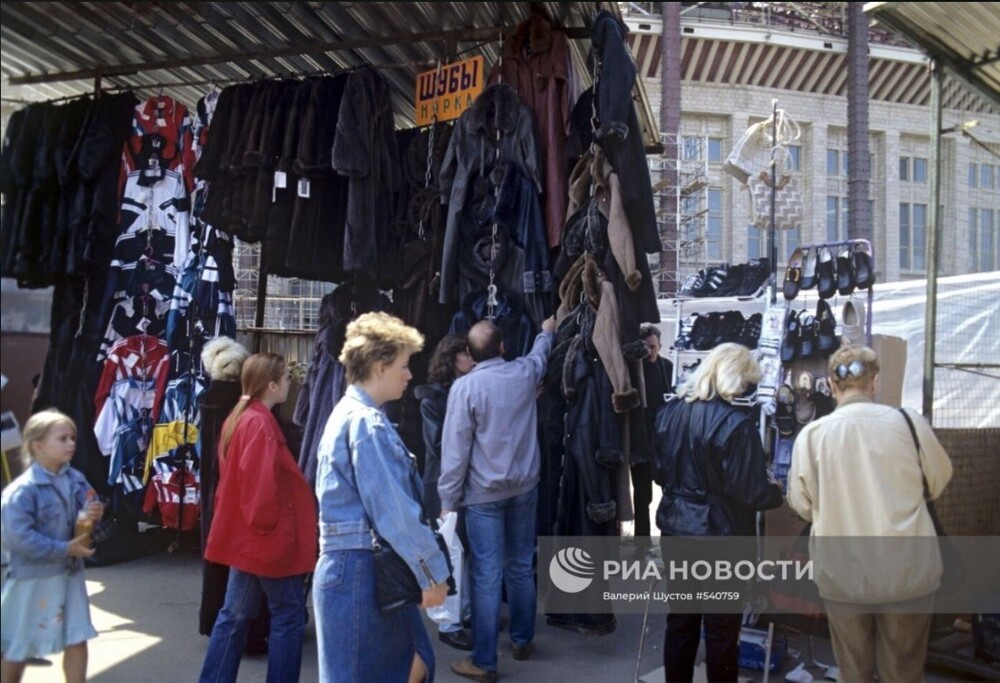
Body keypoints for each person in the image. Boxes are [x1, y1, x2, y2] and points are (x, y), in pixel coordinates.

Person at [787, 344, 953, 682]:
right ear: (874, 383)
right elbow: (937, 482)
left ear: (832, 387)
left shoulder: (812, 437)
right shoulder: (909, 424)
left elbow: (802, 505)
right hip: (907, 573)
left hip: (843, 575)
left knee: (854, 669)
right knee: (904, 669)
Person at [313, 312, 450, 683]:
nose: (409, 375)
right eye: (404, 366)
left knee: (410, 662)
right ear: (378, 366)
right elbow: (395, 512)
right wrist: (432, 574)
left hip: (355, 568)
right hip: (360, 571)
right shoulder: (366, 424)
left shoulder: (350, 416)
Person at [652, 343, 783, 683]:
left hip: (676, 528)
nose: (747, 391)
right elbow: (751, 493)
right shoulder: (736, 425)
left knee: (681, 622)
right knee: (722, 630)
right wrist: (775, 491)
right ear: (735, 380)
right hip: (720, 537)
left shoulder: (670, 413)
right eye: (746, 383)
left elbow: (658, 472)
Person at [439, 316, 556, 683]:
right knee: (521, 565)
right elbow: (541, 354)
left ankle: (485, 662)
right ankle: (522, 640)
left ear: (471, 354)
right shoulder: (524, 374)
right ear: (503, 347)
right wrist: (546, 331)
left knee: (487, 575)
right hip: (524, 488)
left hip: (482, 496)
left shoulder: (465, 388)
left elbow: (455, 452)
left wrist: (448, 498)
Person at [199, 353, 317, 683]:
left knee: (234, 615)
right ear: (271, 384)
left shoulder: (242, 417)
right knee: (288, 614)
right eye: (286, 378)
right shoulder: (260, 423)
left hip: (250, 537)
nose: (290, 383)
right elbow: (261, 489)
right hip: (267, 539)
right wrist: (278, 533)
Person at [1, 409, 104, 683]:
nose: (71, 443)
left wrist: (94, 511)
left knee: (77, 636)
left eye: (72, 437)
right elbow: (18, 538)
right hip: (32, 580)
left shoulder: (75, 479)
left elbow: (91, 500)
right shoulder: (23, 491)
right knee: (17, 645)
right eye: (62, 438)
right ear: (38, 445)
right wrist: (64, 548)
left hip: (69, 575)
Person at [415, 334, 475, 651]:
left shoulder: (458, 391)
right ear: (452, 359)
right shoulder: (432, 399)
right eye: (465, 354)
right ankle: (448, 622)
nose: (471, 359)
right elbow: (438, 446)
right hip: (442, 483)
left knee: (459, 549)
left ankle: (460, 614)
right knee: (449, 550)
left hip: (457, 481)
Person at [634, 323, 673, 557]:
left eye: (653, 347)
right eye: (646, 347)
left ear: (660, 346)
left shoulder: (666, 367)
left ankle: (668, 538)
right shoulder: (636, 370)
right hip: (642, 440)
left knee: (668, 490)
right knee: (642, 496)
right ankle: (642, 544)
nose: (650, 351)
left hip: (663, 440)